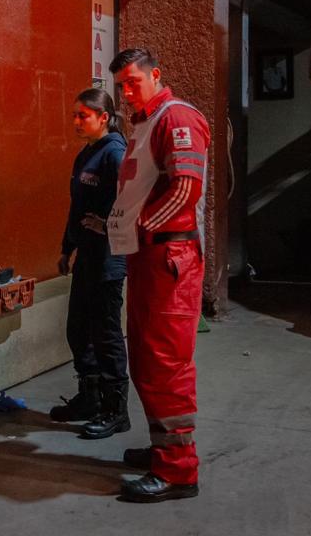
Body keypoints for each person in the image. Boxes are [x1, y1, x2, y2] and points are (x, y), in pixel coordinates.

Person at [106, 48, 210, 503]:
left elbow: (186, 187)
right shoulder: (147, 121)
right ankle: (161, 451)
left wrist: (145, 226)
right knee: (147, 360)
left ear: (155, 76)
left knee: (166, 364)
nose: (127, 92)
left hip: (169, 257)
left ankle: (178, 471)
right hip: (150, 257)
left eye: (133, 81)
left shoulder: (177, 116)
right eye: (121, 85)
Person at [51, 88, 130, 440]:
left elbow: (131, 204)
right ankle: (90, 398)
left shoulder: (115, 154)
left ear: (104, 118)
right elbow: (76, 208)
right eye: (74, 115)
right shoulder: (86, 155)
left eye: (84, 115)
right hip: (86, 257)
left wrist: (108, 226)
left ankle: (116, 411)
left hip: (109, 262)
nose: (76, 122)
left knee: (106, 335)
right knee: (77, 329)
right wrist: (67, 249)